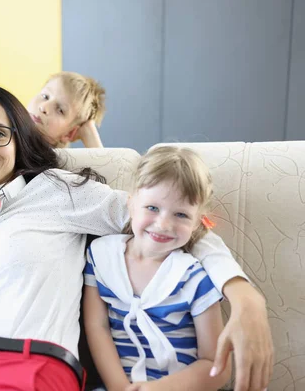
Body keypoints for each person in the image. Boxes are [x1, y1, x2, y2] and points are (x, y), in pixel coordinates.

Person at [0, 84, 272, 391]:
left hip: (36, 368)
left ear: (19, 139)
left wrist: (243, 294)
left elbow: (163, 221)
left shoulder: (54, 191)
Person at [83, 146, 231, 391]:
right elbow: (96, 326)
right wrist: (119, 386)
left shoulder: (195, 277)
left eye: (181, 214)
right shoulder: (100, 257)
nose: (163, 224)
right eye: (152, 208)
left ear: (197, 223)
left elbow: (216, 365)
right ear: (131, 205)